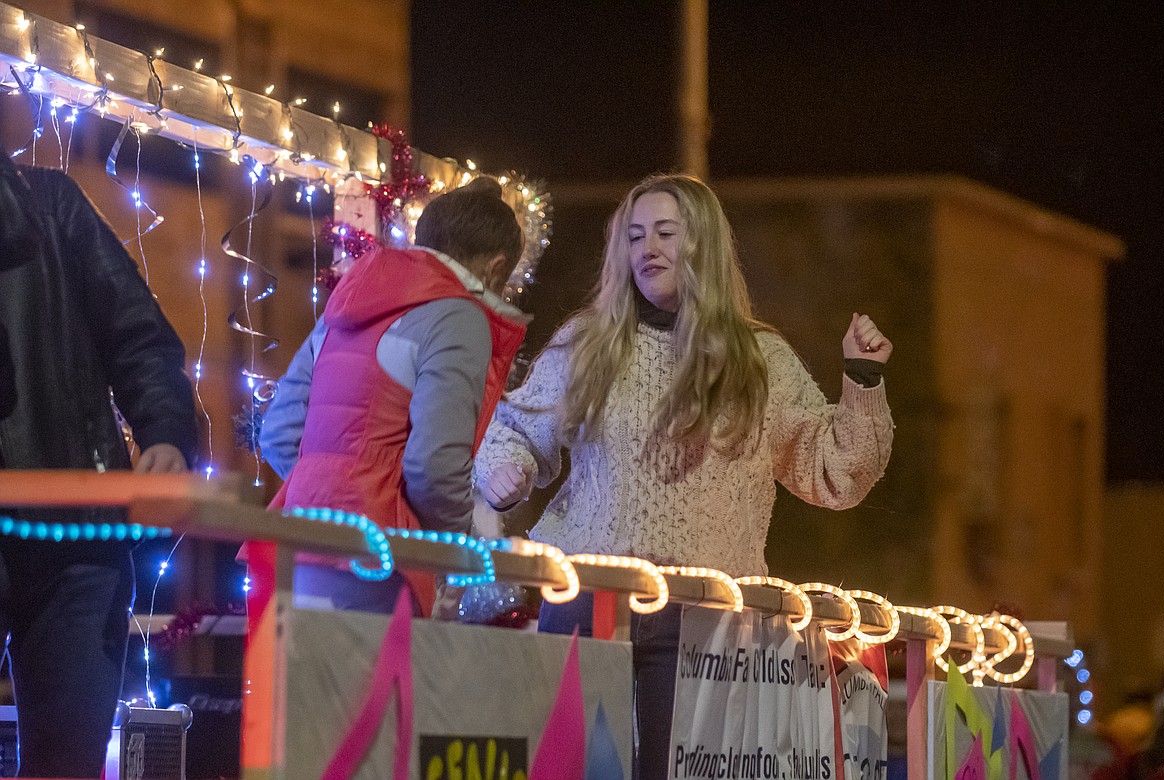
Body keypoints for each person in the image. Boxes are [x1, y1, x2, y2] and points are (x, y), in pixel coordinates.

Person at [475, 173, 894, 780]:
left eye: (667, 233)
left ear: (704, 245)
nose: (648, 248)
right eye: (636, 235)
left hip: (711, 627)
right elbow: (513, 427)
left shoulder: (759, 361)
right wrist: (503, 471)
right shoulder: (589, 345)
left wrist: (863, 380)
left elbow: (836, 471)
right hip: (590, 608)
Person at [0, 153, 197, 777]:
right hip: (77, 533)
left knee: (66, 764)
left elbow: (137, 334)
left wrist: (164, 434)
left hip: (77, 543)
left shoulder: (48, 203)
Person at [256, 177, 528, 617]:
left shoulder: (347, 302)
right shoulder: (458, 316)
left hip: (298, 542)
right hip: (383, 554)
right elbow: (435, 465)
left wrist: (327, 491)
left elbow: (279, 432)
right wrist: (453, 553)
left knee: (307, 684)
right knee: (379, 686)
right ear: (497, 268)